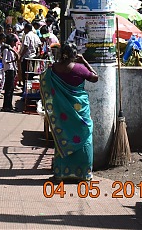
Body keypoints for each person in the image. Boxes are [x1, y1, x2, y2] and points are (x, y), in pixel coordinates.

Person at [40, 42, 99, 182]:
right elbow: (95, 78)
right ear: (74, 55)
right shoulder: (79, 68)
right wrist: (84, 61)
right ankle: (83, 174)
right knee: (85, 137)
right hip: (80, 111)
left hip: (62, 114)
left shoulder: (53, 68)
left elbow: (44, 81)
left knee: (63, 137)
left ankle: (61, 173)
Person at [1, 34, 19, 112]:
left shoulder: (11, 49)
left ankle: (9, 105)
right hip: (9, 70)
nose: (15, 44)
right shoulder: (6, 50)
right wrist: (13, 61)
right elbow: (4, 61)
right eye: (14, 42)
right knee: (8, 89)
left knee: (11, 89)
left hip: (13, 70)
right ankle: (6, 106)